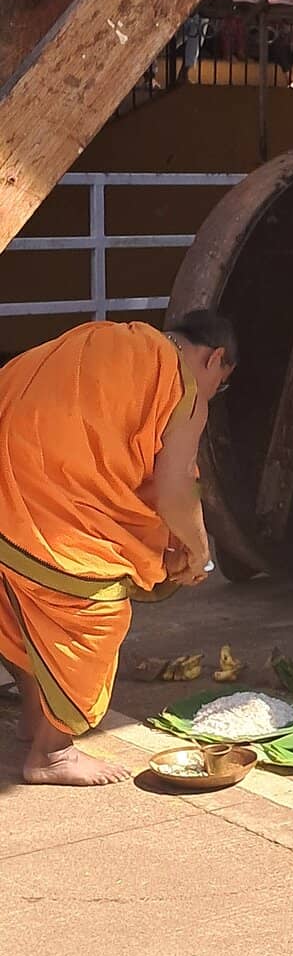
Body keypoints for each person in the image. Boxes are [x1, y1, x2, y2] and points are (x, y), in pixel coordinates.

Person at [0, 310, 237, 787]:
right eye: (222, 383)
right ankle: (52, 753)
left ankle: (36, 717)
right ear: (215, 359)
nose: (213, 392)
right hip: (46, 518)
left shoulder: (99, 339)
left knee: (19, 611)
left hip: (9, 497)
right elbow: (175, 491)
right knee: (95, 616)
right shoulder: (180, 384)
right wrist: (198, 552)